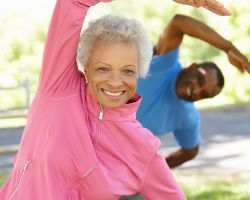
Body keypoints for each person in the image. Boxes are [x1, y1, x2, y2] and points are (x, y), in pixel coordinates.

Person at [0, 0, 189, 199]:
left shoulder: (143, 147)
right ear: (86, 68)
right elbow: (72, 3)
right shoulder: (58, 89)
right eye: (103, 69)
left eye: (128, 71)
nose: (116, 82)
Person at [136, 14, 250, 169]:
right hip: (92, 130)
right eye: (200, 80)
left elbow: (191, 151)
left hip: (116, 167)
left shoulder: (188, 117)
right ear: (192, 67)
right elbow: (179, 22)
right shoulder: (166, 62)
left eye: (204, 94)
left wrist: (152, 171)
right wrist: (228, 47)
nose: (196, 90)